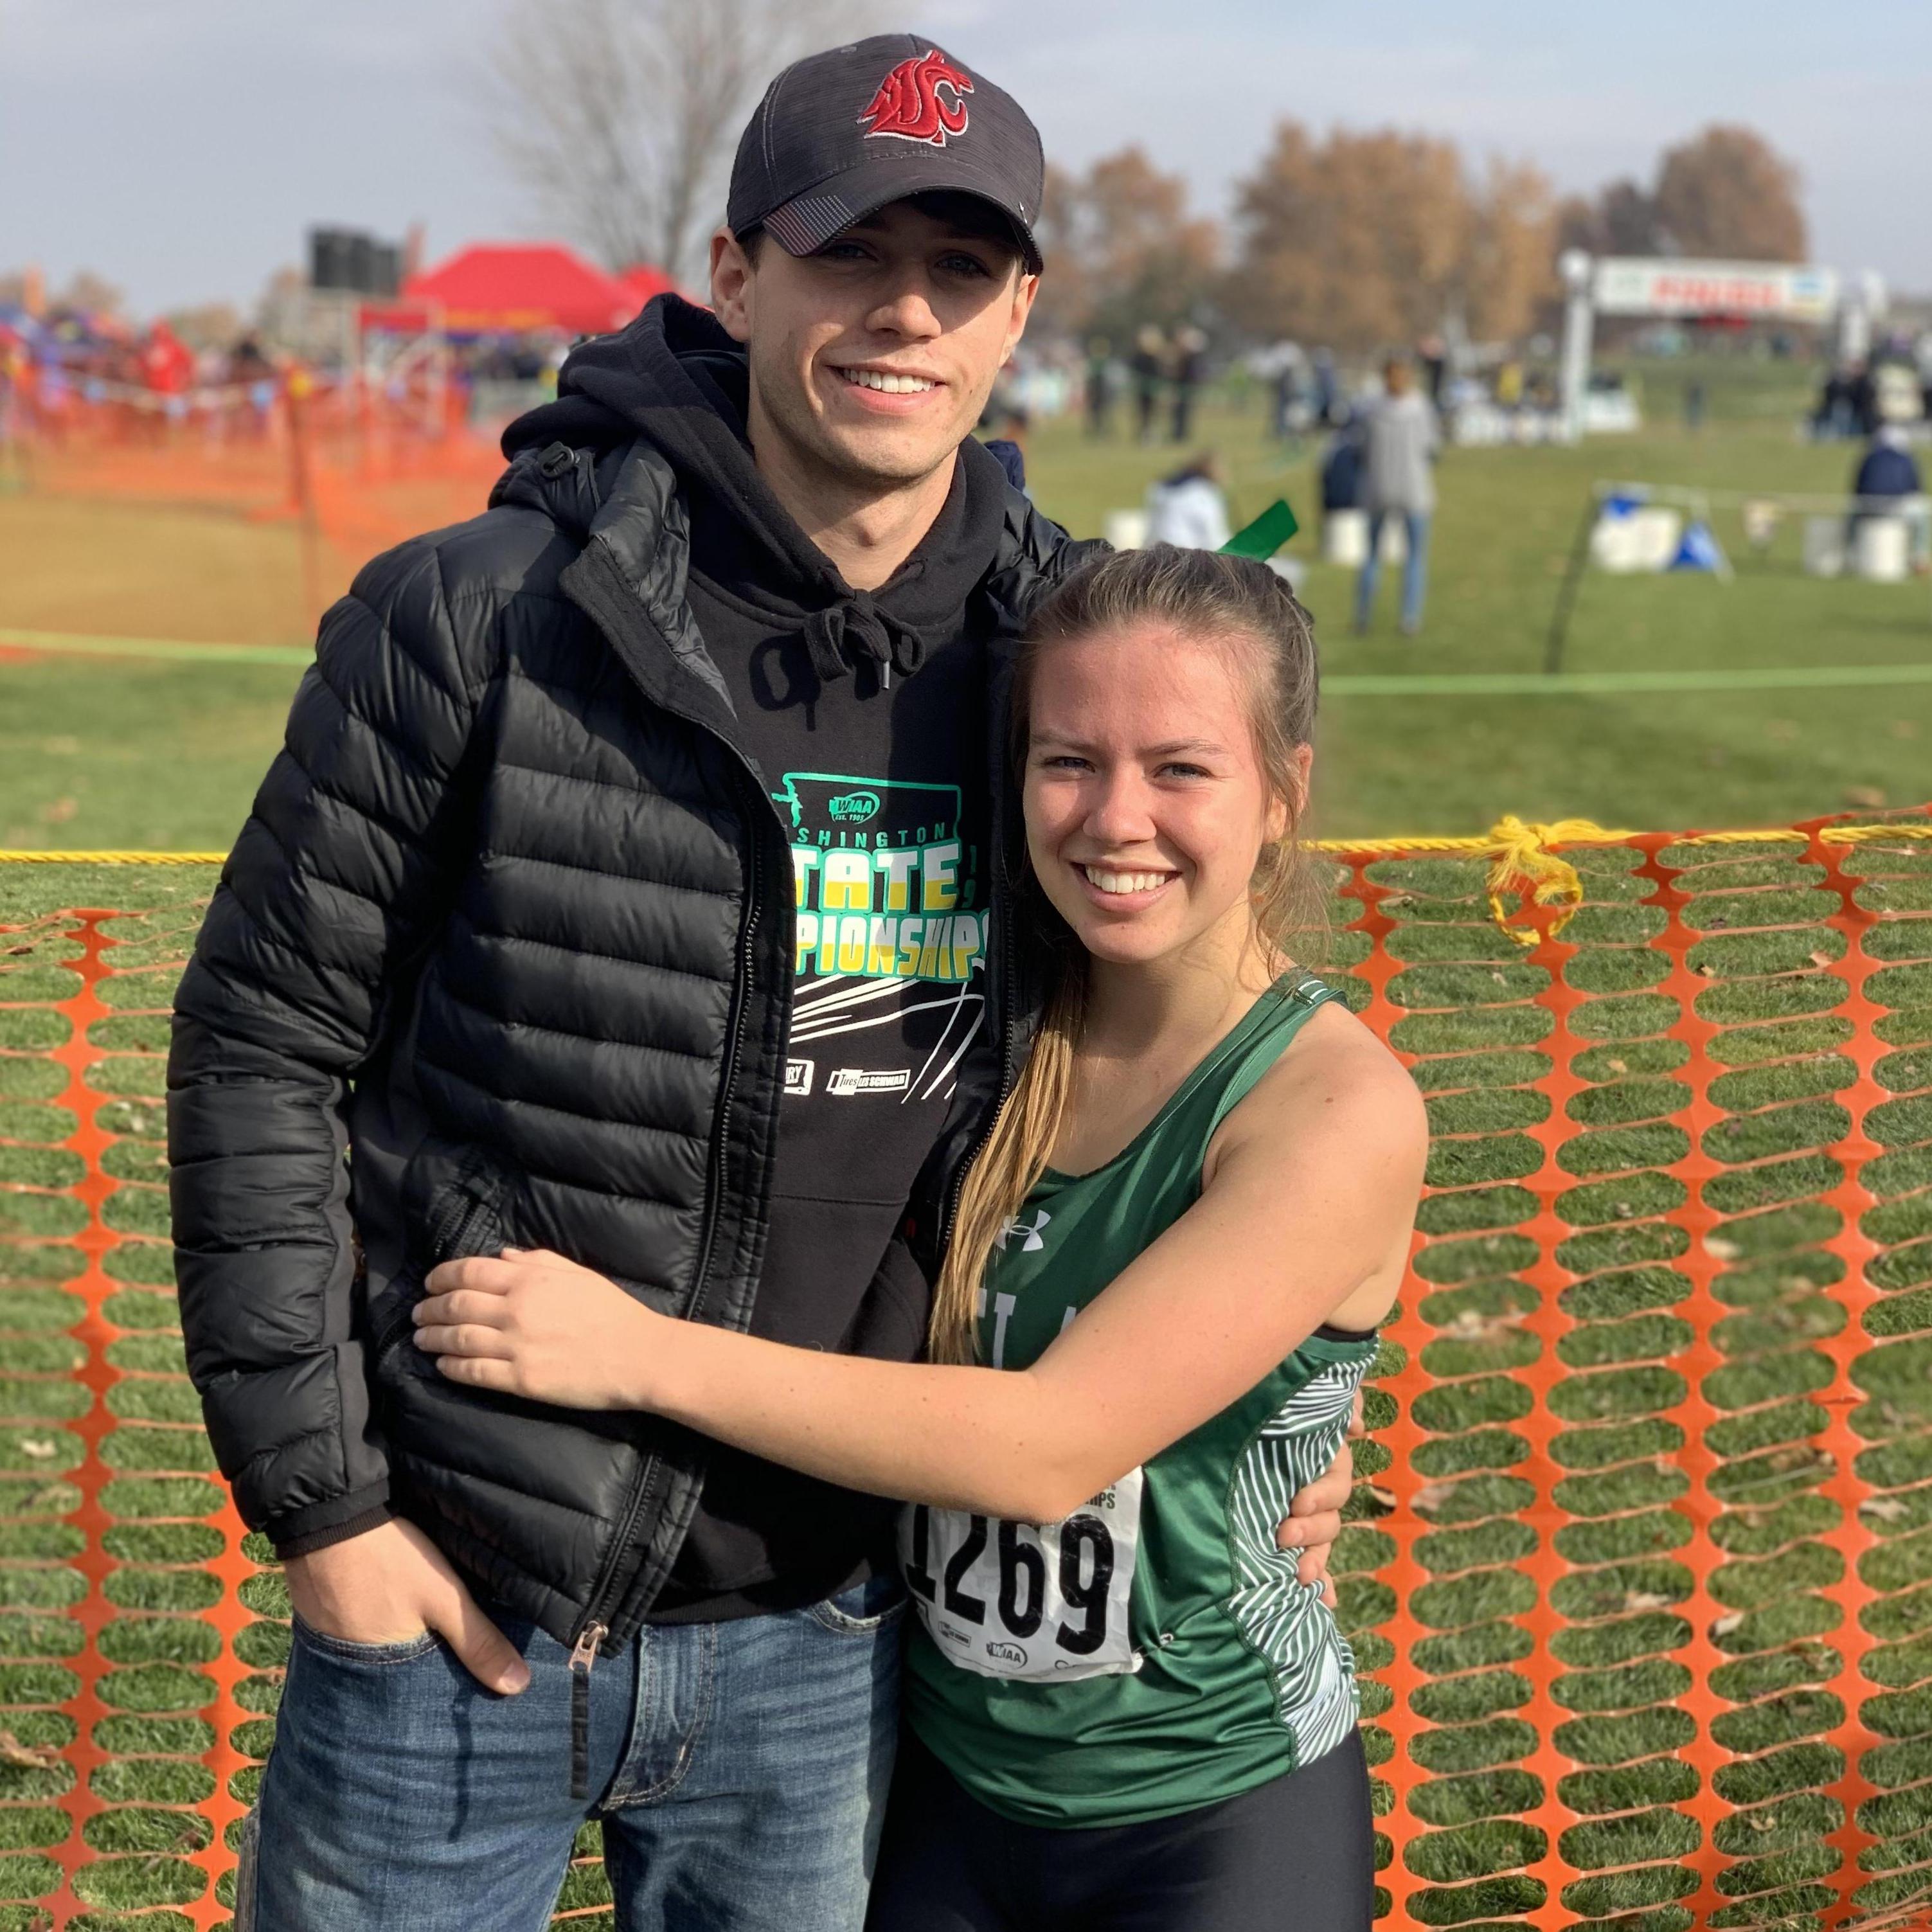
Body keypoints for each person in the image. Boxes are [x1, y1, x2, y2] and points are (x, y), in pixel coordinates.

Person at [166, 33, 1352, 1932]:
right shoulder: (475, 616)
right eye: (844, 251)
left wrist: (1303, 1389)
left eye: (957, 270)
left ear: (1021, 311)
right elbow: (258, 1039)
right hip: (456, 1608)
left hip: (832, 1634)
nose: (902, 310)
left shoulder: (1055, 670)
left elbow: (1213, 1023)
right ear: (733, 273)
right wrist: (327, 1510)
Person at [414, 544, 1427, 1932]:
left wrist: (637, 1355)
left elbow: (1050, 1445)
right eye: (1069, 760)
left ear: (1284, 791)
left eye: (1181, 768)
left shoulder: (1332, 1107)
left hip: (1211, 1816)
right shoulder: (989, 1030)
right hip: (940, 1796)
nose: (1115, 818)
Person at [1353, 357, 1439, 638]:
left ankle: (1363, 616)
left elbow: (1361, 448)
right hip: (1414, 490)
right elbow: (1432, 447)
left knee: (1372, 555)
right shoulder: (1420, 407)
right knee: (1415, 556)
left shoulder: (1371, 409)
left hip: (1378, 488)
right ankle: (1410, 618)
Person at [1850, 424, 1930, 572]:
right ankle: (1919, 557)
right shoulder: (1906, 459)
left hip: (1868, 506)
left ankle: (1850, 554)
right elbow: (1915, 487)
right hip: (1897, 507)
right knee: (1922, 513)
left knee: (1851, 514)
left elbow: (1857, 486)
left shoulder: (1869, 457)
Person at [1143, 450, 1231, 550]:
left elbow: (1151, 529)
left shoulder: (1159, 488)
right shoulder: (1205, 494)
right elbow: (1214, 535)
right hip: (1189, 557)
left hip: (1156, 553)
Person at [1131, 325, 1166, 443]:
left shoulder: (1157, 357)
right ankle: (1144, 434)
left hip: (1153, 390)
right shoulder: (1140, 357)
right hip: (1143, 390)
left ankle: (1151, 434)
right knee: (1143, 413)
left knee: (1154, 414)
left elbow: (1160, 373)